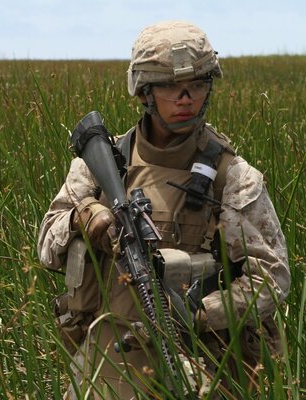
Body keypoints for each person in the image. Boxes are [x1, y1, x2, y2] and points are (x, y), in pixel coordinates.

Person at [37, 20, 290, 399]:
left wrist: (199, 314)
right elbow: (46, 248)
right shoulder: (100, 166)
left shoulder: (234, 178)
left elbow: (272, 278)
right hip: (111, 356)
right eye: (171, 86)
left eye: (199, 84)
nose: (187, 97)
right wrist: (83, 218)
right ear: (143, 93)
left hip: (204, 358)